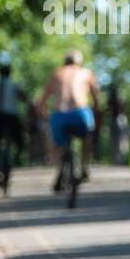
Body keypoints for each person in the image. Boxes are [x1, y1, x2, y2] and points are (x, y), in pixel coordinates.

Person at [36, 50, 101, 189]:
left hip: (59, 115)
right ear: (79, 62)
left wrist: (44, 113)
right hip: (80, 113)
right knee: (88, 136)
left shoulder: (56, 73)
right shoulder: (86, 73)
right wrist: (95, 110)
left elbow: (42, 100)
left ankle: (59, 168)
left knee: (54, 142)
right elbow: (96, 98)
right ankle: (84, 166)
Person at [0, 52, 26, 185]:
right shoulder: (14, 84)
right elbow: (23, 98)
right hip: (10, 117)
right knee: (20, 137)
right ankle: (18, 154)